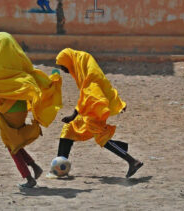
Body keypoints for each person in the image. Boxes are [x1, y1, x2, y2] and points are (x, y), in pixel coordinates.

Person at [0, 32, 62, 188]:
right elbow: (36, 80)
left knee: (11, 145)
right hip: (20, 109)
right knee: (13, 141)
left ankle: (28, 178)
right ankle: (34, 167)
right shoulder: (21, 70)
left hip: (8, 111)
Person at [53, 48, 143, 178]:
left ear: (69, 61)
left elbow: (93, 91)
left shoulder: (88, 72)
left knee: (101, 137)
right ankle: (60, 169)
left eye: (63, 66)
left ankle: (132, 161)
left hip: (95, 109)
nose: (62, 69)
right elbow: (104, 85)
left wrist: (74, 115)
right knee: (68, 129)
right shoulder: (82, 66)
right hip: (89, 108)